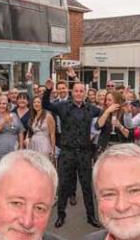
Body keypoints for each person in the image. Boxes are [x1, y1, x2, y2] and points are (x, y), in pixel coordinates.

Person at [43, 80, 102, 228]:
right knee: (63, 186)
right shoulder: (63, 106)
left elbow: (103, 116)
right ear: (72, 92)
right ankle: (61, 216)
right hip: (67, 152)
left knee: (87, 187)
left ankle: (91, 216)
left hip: (84, 153)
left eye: (82, 91)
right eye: (76, 91)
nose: (79, 94)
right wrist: (48, 90)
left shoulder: (91, 109)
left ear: (85, 93)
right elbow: (46, 105)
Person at [0, 94, 25, 183]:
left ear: (7, 105)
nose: (2, 105)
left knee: (12, 170)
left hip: (12, 148)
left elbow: (20, 131)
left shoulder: (14, 115)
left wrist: (21, 146)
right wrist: (4, 121)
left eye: (4, 104)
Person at [27, 95, 57, 160]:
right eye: (34, 102)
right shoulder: (32, 117)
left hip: (44, 144)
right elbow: (29, 132)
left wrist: (53, 149)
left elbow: (52, 134)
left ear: (42, 104)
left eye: (38, 102)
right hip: (33, 144)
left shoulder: (48, 116)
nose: (36, 104)